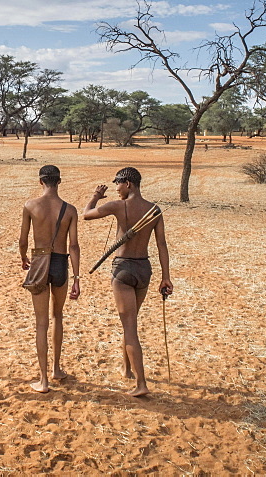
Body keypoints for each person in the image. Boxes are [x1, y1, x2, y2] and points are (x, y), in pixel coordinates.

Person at [83, 167, 173, 397]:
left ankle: (141, 384)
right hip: (144, 269)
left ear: (129, 183)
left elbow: (86, 214)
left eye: (118, 184)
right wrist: (165, 276)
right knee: (130, 323)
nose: (116, 189)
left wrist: (95, 196)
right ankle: (127, 369)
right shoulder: (154, 209)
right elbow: (162, 245)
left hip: (123, 270)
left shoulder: (117, 206)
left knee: (130, 327)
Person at [18, 165, 81, 393]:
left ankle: (43, 380)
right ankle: (56, 369)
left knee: (41, 323)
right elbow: (74, 245)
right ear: (59, 181)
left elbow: (23, 239)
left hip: (39, 260)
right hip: (60, 263)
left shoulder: (30, 206)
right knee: (58, 316)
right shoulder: (70, 210)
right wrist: (76, 277)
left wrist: (24, 257)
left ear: (40, 181)